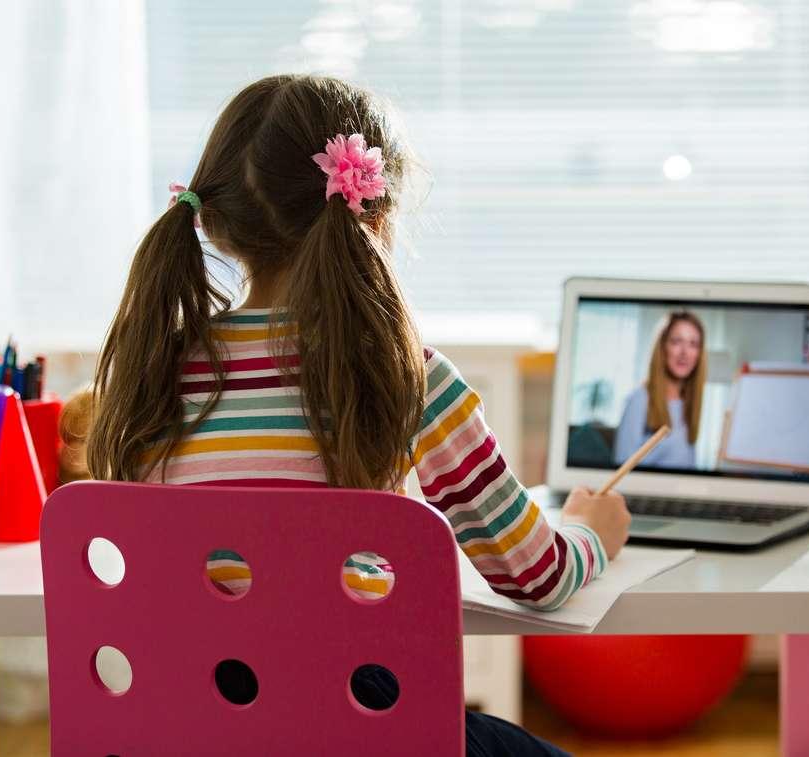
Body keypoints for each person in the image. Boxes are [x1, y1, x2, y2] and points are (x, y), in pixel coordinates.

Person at [81, 74, 630, 756]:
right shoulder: (408, 375)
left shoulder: (152, 371)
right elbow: (535, 575)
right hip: (362, 728)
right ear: (375, 211)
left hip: (187, 726)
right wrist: (589, 531)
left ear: (213, 218)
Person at [614, 312, 707, 469]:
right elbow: (621, 467)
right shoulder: (639, 400)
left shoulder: (689, 404)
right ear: (663, 347)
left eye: (693, 344)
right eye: (677, 341)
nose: (684, 352)